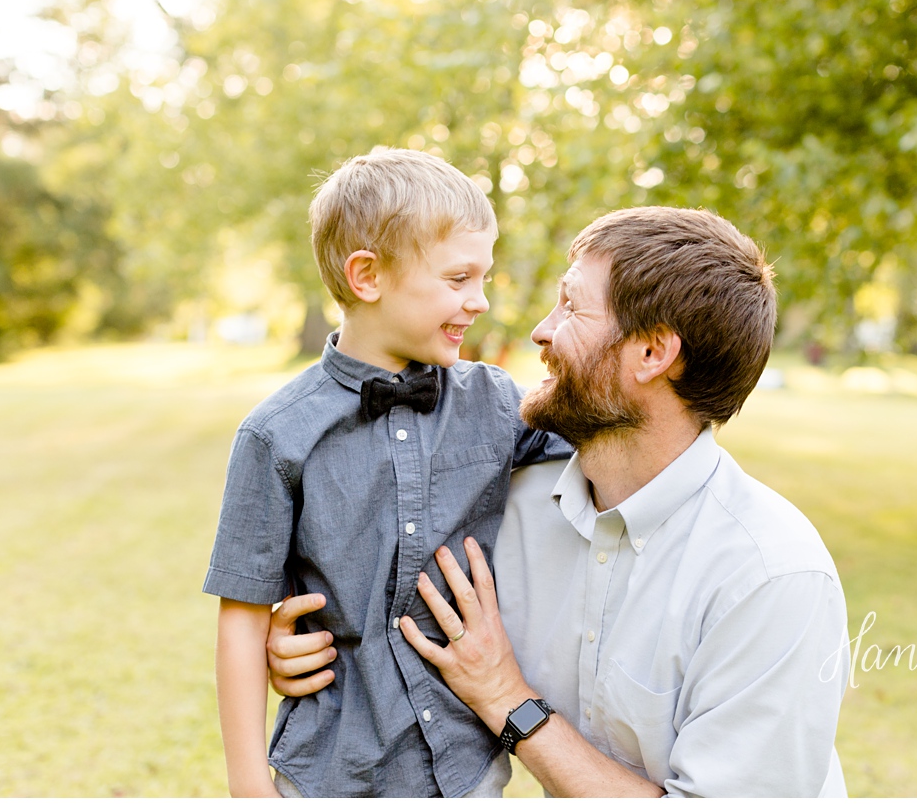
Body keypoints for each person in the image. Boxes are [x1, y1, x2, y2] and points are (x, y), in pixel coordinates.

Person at [269, 207, 851, 796]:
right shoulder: (506, 500)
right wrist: (316, 642)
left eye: (572, 307)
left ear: (652, 353)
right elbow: (389, 577)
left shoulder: (771, 576)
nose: (540, 331)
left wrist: (506, 698)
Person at [204, 148, 573, 797]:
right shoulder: (276, 434)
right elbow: (242, 617)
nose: (480, 301)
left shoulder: (494, 402)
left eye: (483, 278)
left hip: (466, 770)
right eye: (458, 278)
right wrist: (248, 787)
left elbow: (603, 443)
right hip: (331, 769)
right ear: (368, 276)